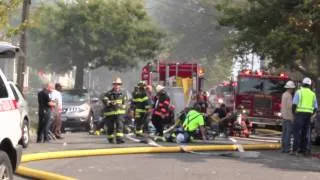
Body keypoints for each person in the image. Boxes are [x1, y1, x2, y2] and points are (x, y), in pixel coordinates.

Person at [292, 77, 318, 156]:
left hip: (299, 114)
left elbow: (294, 105)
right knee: (306, 133)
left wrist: (294, 113)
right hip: (308, 115)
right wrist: (311, 114)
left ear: (303, 83)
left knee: (297, 132)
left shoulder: (299, 92)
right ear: (310, 85)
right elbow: (315, 107)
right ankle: (305, 150)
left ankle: (295, 150)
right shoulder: (313, 94)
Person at [101, 77, 127, 144]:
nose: (117, 85)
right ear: (113, 85)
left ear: (120, 85)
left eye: (118, 84)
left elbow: (125, 104)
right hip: (110, 113)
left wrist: (121, 106)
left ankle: (119, 139)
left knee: (120, 125)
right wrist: (109, 102)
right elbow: (104, 100)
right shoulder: (108, 93)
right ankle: (110, 139)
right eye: (115, 84)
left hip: (119, 113)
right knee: (110, 127)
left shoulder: (123, 94)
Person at [280, 81, 295, 153]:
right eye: (292, 88)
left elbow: (282, 106)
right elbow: (290, 107)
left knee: (284, 133)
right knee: (288, 134)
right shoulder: (289, 96)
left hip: (284, 116)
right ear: (290, 88)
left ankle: (283, 148)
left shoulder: (283, 94)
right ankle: (287, 149)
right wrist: (292, 117)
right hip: (289, 117)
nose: (293, 90)